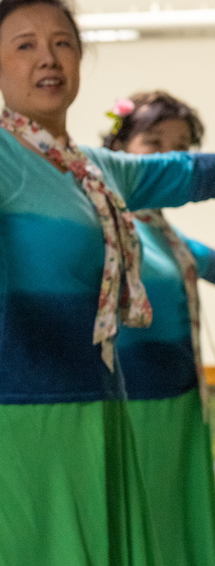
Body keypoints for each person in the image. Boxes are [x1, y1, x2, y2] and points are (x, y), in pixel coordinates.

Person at [0, 0, 215, 566]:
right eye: (25, 45)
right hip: (16, 411)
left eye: (62, 43)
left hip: (99, 404)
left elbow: (187, 172)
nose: (48, 58)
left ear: (80, 60)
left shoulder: (99, 169)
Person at [103, 90, 215, 565]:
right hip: (131, 409)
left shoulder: (166, 234)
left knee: (175, 536)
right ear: (119, 151)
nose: (171, 158)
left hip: (182, 405)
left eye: (182, 147)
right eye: (154, 144)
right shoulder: (108, 224)